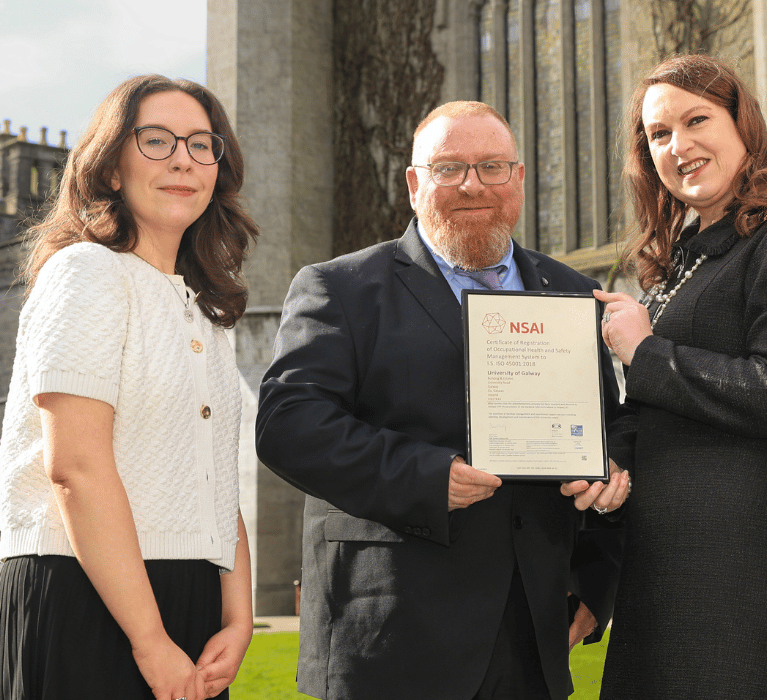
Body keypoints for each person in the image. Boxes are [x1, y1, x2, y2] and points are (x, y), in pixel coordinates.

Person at [255, 101, 625, 700]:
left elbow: (612, 436)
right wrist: (425, 475)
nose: (472, 184)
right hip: (390, 636)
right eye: (448, 168)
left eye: (492, 167)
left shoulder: (574, 292)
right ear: (414, 183)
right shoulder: (341, 287)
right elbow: (288, 424)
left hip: (532, 637)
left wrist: (592, 581)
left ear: (519, 179)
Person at [0, 75, 258, 700]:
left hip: (188, 606)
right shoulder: (85, 273)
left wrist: (236, 620)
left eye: (201, 143)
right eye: (156, 140)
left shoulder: (206, 313)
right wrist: (150, 639)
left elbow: (217, 486)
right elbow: (75, 468)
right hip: (83, 598)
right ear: (110, 167)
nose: (183, 157)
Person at [581, 54, 767, 699]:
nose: (680, 145)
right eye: (659, 134)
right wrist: (614, 462)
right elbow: (664, 418)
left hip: (749, 581)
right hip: (662, 574)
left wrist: (645, 355)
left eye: (697, 119)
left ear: (742, 125)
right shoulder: (679, 263)